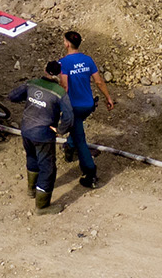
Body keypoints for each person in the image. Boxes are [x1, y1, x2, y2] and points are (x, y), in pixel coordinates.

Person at [8, 61, 73, 211]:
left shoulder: (32, 83)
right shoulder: (59, 93)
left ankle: (31, 190)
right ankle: (42, 207)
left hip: (26, 130)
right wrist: (60, 130)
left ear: (45, 70)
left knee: (31, 157)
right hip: (43, 135)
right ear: (59, 74)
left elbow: (12, 96)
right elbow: (69, 116)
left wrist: (32, 100)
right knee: (47, 168)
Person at [57, 30, 114, 188]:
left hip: (74, 107)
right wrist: (108, 98)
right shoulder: (88, 60)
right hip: (88, 105)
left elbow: (65, 86)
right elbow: (99, 82)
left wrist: (59, 105)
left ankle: (90, 174)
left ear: (67, 43)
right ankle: (69, 145)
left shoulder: (64, 63)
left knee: (80, 140)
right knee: (77, 128)